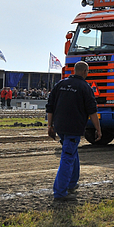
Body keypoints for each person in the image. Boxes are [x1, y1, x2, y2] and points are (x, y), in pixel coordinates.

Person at [46, 61, 102, 202]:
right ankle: (60, 192)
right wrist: (98, 129)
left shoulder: (60, 85)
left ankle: (72, 183)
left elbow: (50, 106)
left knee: (72, 152)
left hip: (60, 126)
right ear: (85, 72)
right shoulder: (85, 87)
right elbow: (92, 111)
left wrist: (50, 126)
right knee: (67, 157)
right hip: (73, 128)